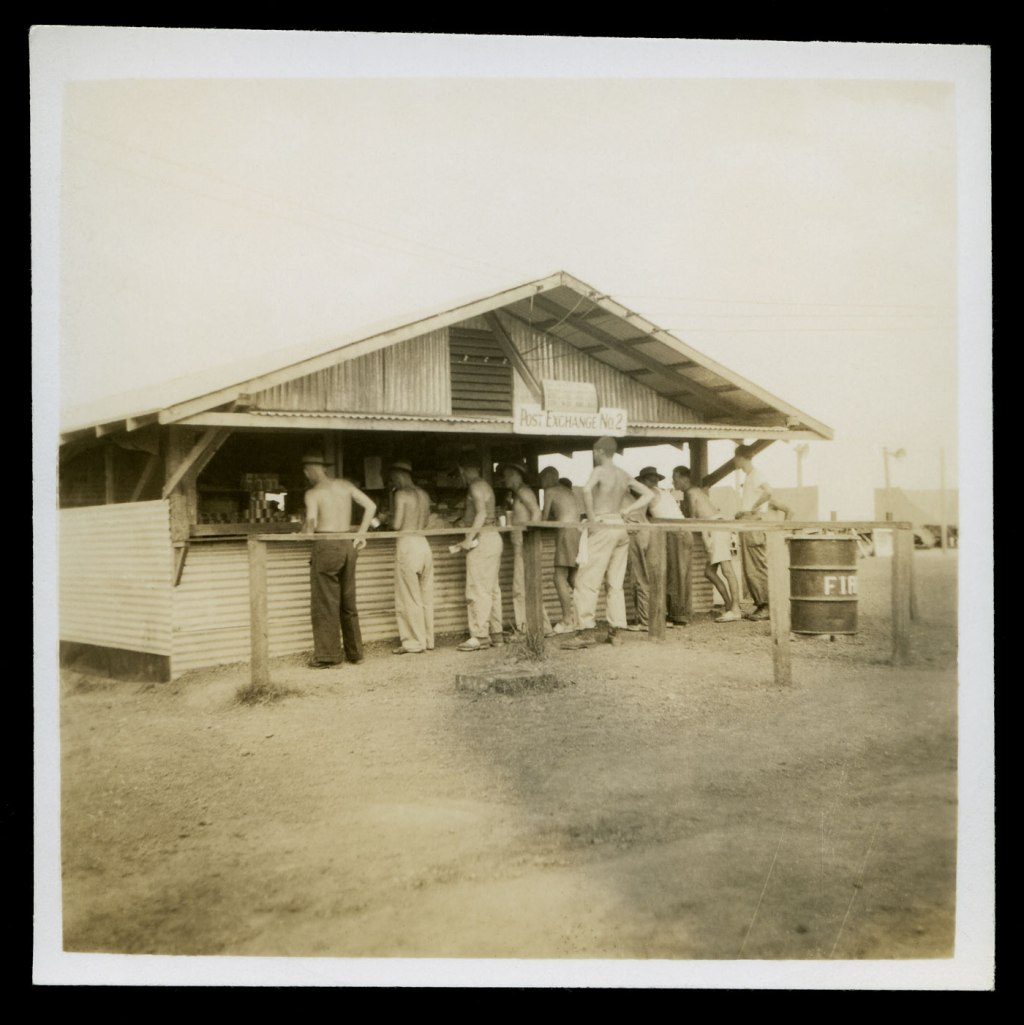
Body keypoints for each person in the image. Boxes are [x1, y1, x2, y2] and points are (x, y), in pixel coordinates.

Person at [563, 437, 654, 648]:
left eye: (595, 451)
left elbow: (586, 490)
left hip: (603, 524)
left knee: (586, 580)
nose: (594, 454)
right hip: (619, 525)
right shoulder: (623, 474)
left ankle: (585, 632)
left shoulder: (599, 471)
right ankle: (616, 632)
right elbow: (648, 494)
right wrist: (628, 510)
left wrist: (592, 519)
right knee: (615, 582)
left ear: (601, 451)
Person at [301, 453, 377, 668]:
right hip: (347, 544)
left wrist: (302, 530)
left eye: (306, 472)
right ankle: (355, 654)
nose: (306, 475)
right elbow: (371, 506)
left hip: (326, 545)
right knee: (348, 601)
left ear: (310, 470)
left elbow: (311, 525)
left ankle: (329, 657)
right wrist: (361, 534)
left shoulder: (313, 493)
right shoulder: (345, 486)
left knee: (325, 603)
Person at [674, 466, 743, 622]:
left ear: (683, 478)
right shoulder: (695, 491)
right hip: (714, 528)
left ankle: (736, 609)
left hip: (715, 528)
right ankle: (729, 605)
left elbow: (693, 520)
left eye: (675, 479)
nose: (674, 482)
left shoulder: (691, 493)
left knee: (727, 570)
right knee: (709, 572)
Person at [454, 458, 504, 651]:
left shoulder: (475, 486)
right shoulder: (485, 485)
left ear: (462, 470)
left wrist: (468, 539)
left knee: (478, 589)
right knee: (492, 589)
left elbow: (481, 514)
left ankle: (480, 635)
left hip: (483, 539)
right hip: (492, 537)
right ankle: (496, 634)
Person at [499, 461, 553, 637]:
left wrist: (530, 536)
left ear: (515, 475)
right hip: (522, 544)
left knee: (520, 589)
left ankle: (523, 630)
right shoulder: (519, 493)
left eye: (506, 476)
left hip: (525, 545)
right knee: (530, 587)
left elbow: (536, 512)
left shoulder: (523, 492)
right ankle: (544, 628)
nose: (504, 479)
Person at [387, 460, 434, 655]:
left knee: (409, 596)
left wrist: (387, 518)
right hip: (423, 543)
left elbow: (397, 524)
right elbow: (425, 522)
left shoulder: (401, 494)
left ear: (398, 475)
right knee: (425, 595)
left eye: (392, 478)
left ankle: (414, 642)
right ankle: (428, 640)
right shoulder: (423, 494)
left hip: (407, 544)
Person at [638, 465, 693, 627]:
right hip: (683, 531)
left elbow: (639, 515)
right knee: (681, 574)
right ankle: (681, 613)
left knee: (674, 574)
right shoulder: (664, 492)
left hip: (675, 532)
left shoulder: (649, 494)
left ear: (645, 481)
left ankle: (678, 615)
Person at [734, 444, 775, 621]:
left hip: (754, 522)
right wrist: (743, 512)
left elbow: (769, 492)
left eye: (736, 458)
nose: (735, 461)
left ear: (741, 458)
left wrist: (754, 507)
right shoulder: (749, 476)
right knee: (750, 567)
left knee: (757, 565)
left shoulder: (756, 474)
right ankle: (760, 603)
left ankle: (767, 605)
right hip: (747, 521)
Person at [539, 466, 582, 634]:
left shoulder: (550, 490)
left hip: (566, 533)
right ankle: (582, 617)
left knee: (558, 578)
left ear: (548, 478)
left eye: (542, 479)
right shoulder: (567, 491)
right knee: (573, 577)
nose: (541, 484)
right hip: (576, 532)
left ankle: (567, 620)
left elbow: (544, 518)